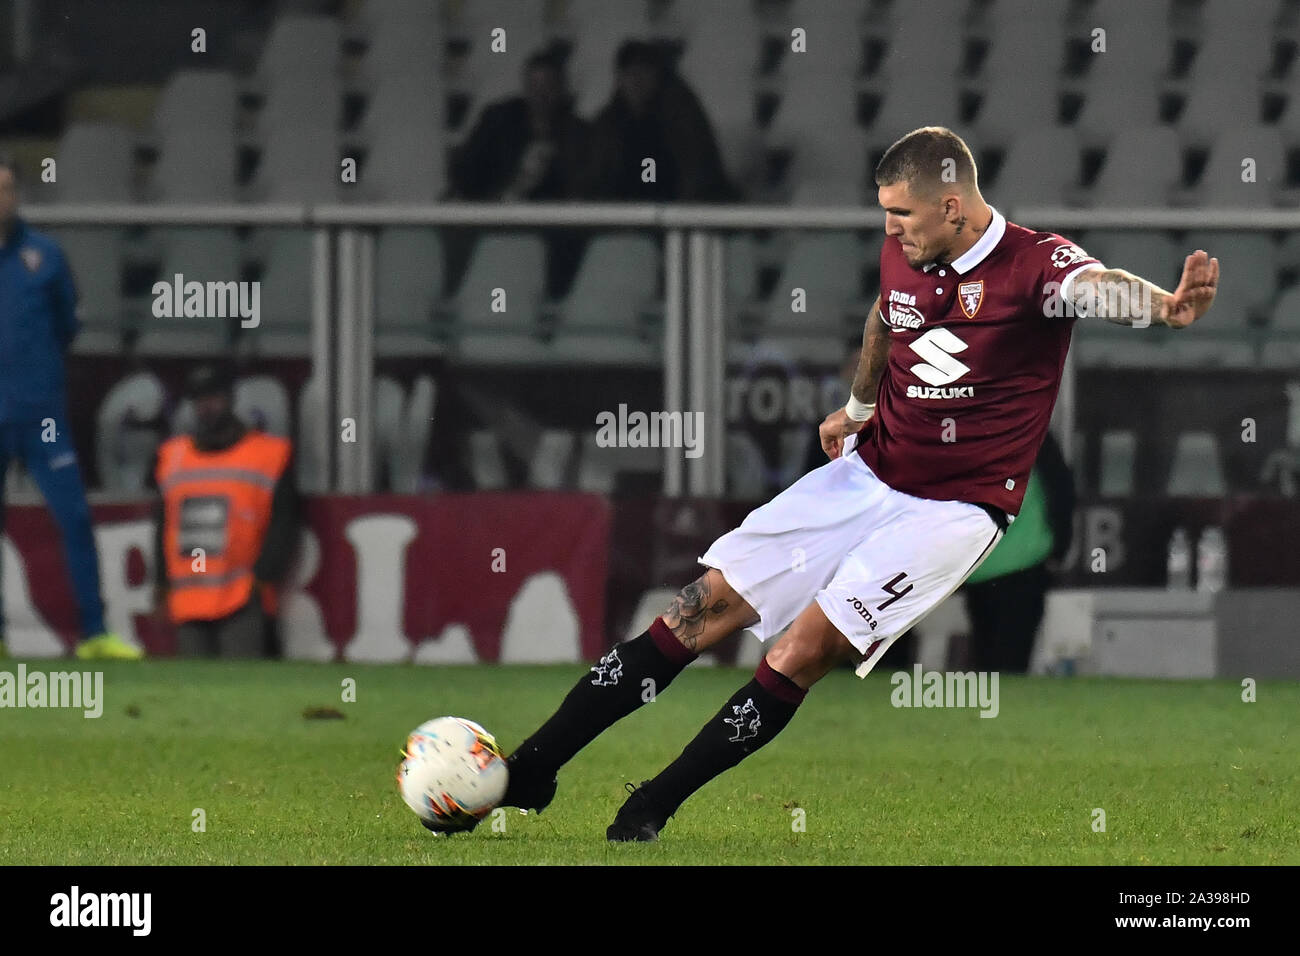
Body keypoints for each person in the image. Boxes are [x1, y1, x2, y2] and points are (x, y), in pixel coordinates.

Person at [492, 126, 1219, 841]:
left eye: (901, 212)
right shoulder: (905, 252)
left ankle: (652, 804)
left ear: (953, 208)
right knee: (699, 606)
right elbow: (885, 316)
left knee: (799, 652)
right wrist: (859, 406)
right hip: (868, 472)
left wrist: (1164, 306)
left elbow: (1097, 287)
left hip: (955, 510)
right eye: (885, 212)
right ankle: (533, 768)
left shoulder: (1034, 265)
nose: (890, 227)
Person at [0, 156, 140, 660]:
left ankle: (95, 633)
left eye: (10, 189)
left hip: (42, 416)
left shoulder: (45, 256)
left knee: (75, 517)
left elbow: (66, 328)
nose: (4, 200)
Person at [152, 365, 299, 658]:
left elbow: (284, 522)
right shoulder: (172, 456)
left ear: (230, 399)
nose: (206, 407)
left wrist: (262, 577)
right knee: (195, 690)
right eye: (198, 400)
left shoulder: (267, 454)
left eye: (213, 398)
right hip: (189, 598)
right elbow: (164, 523)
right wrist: (161, 582)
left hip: (242, 596)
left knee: (242, 684)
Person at [446, 48, 591, 298]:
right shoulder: (498, 120)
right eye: (533, 85)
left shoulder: (577, 132)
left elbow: (579, 192)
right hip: (492, 220)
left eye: (548, 86)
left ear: (561, 89)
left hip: (549, 233)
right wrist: (508, 189)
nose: (540, 94)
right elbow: (464, 173)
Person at [961, 429, 1075, 674]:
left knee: (988, 662)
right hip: (1023, 567)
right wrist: (1060, 549)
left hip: (979, 569)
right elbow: (1061, 489)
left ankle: (984, 709)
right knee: (1010, 664)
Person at [578, 40, 740, 202]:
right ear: (619, 78)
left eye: (644, 71)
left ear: (657, 77)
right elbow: (594, 179)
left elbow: (697, 173)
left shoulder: (680, 116)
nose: (637, 80)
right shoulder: (608, 125)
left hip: (674, 214)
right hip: (618, 215)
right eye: (630, 72)